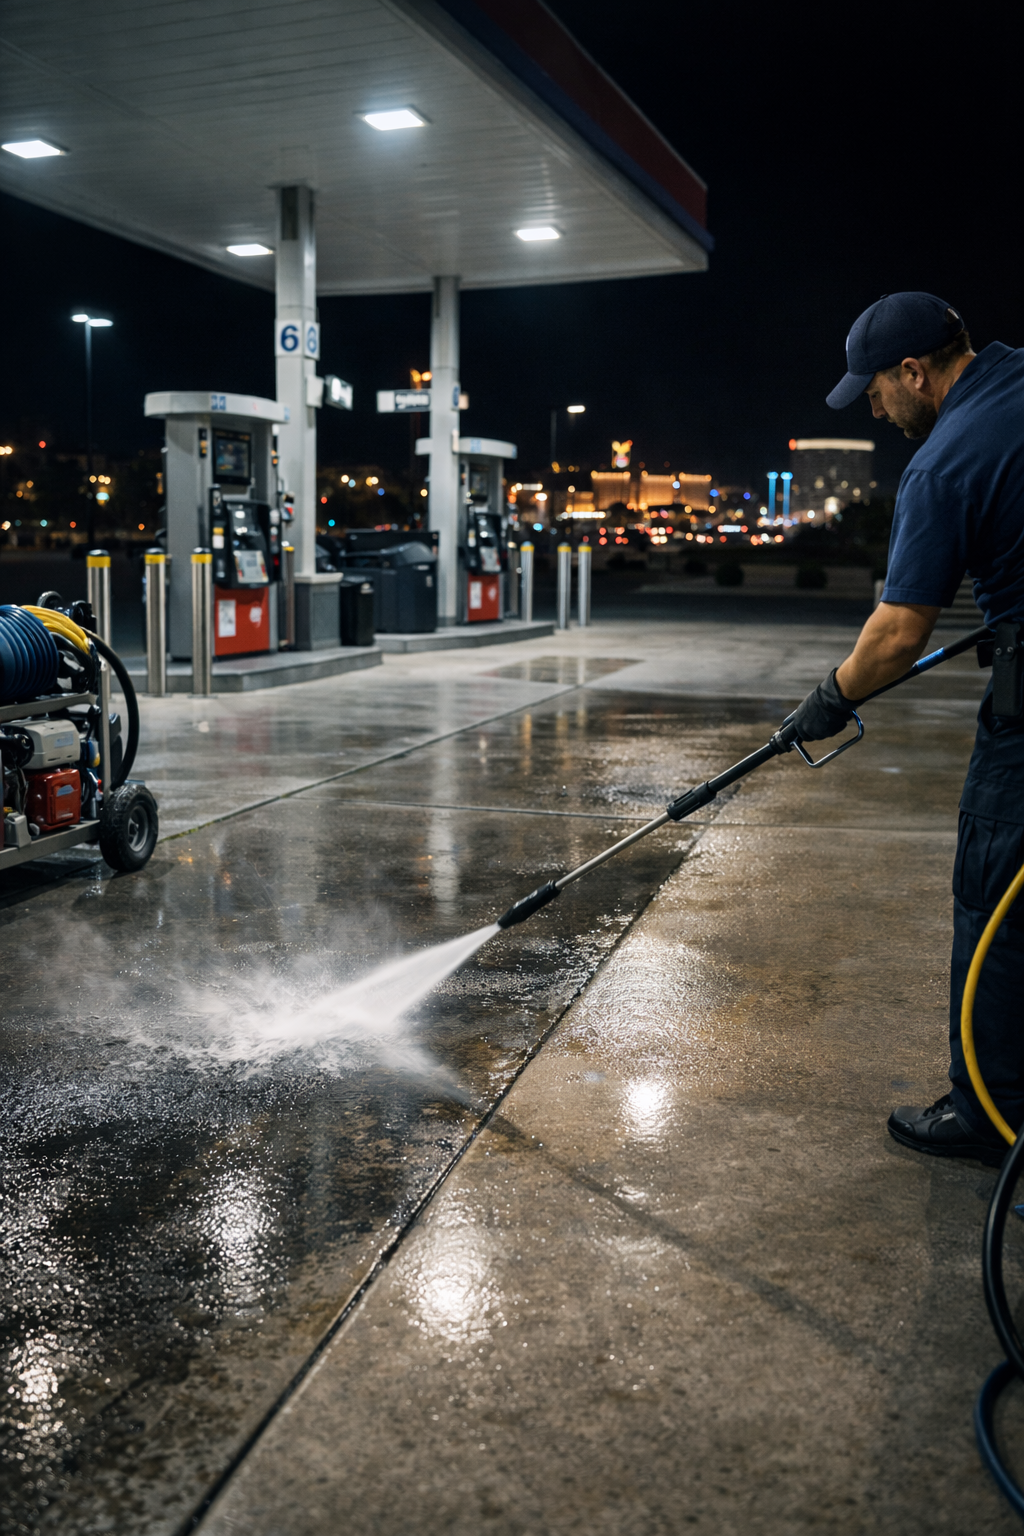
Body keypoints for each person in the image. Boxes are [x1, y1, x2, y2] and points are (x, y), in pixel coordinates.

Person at [793, 292, 1024, 1167]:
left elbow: (896, 635)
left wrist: (829, 698)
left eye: (877, 393)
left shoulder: (945, 459)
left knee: (995, 899)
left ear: (914, 373)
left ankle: (989, 1113)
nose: (877, 410)